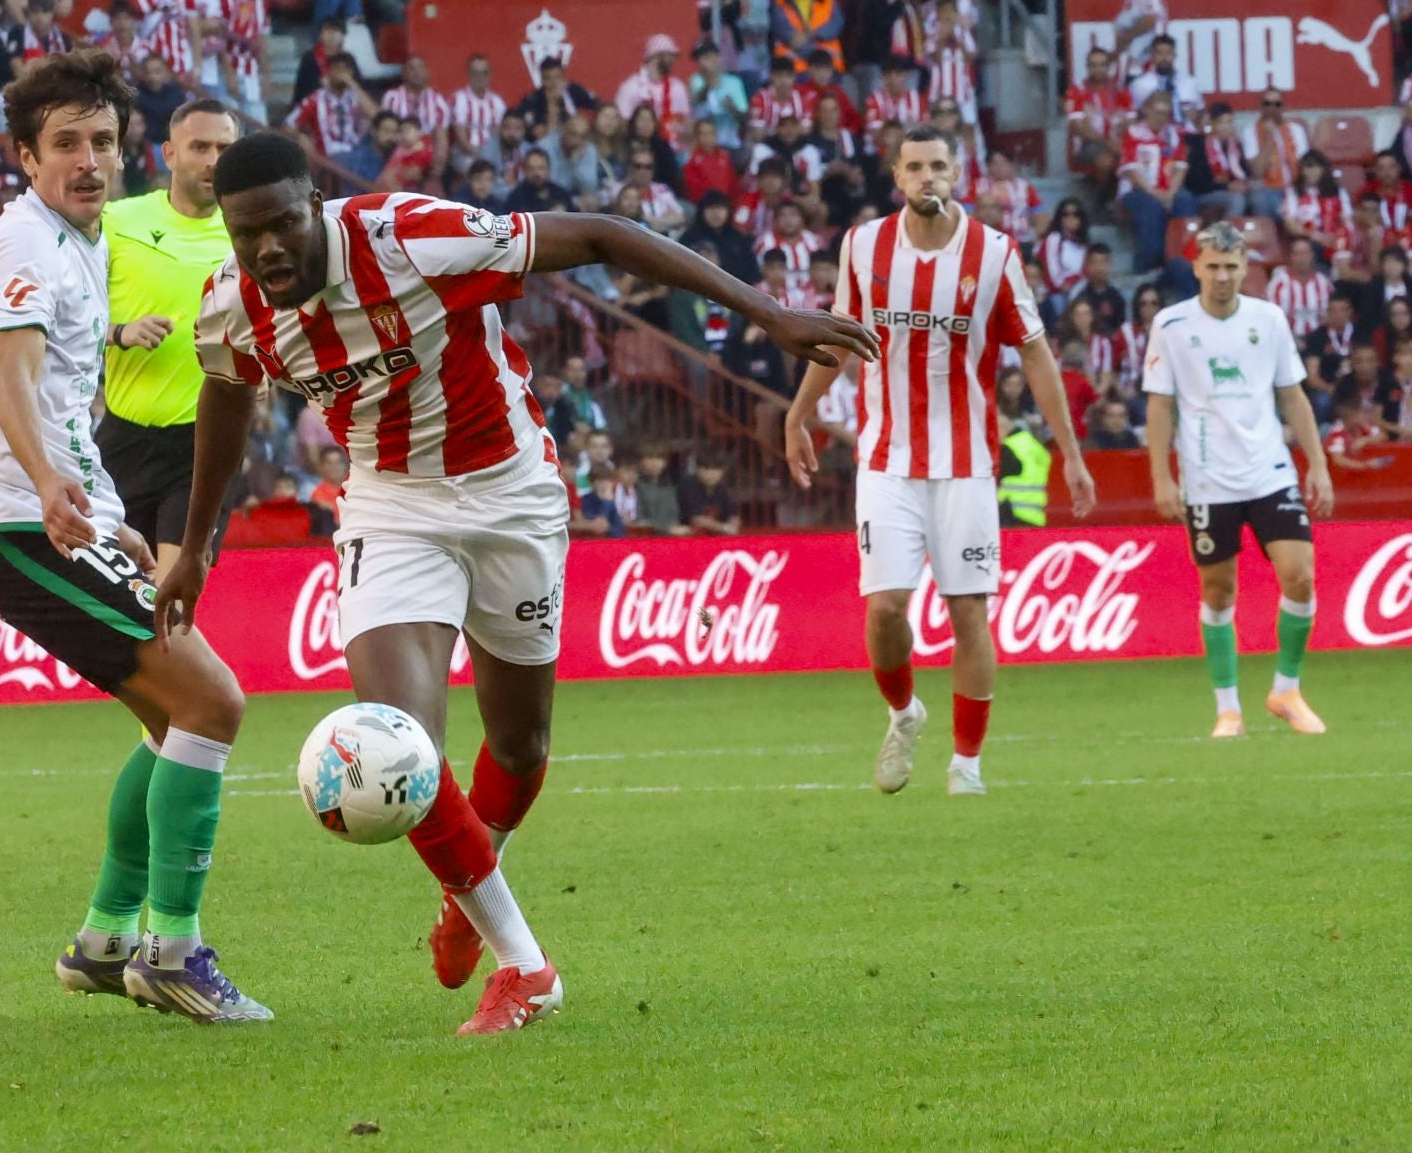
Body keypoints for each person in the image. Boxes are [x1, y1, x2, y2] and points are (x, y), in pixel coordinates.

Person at [157, 130, 876, 1033]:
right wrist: (196, 546)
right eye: (245, 234)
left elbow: (605, 234)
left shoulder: (412, 238)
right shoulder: (231, 305)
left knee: (523, 746)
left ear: (315, 207)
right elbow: (227, 396)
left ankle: (469, 892)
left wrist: (768, 313)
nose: (265, 250)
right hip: (390, 507)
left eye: (282, 227)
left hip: (512, 495)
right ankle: (525, 965)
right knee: (401, 745)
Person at [0, 49, 267, 1024]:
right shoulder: (27, 246)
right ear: (25, 156)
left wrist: (107, 515)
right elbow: (12, 378)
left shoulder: (77, 241)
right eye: (66, 143)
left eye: (103, 141)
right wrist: (49, 486)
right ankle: (172, 953)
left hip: (60, 514)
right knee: (212, 700)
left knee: (174, 722)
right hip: (16, 519)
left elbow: (61, 404)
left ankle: (105, 939)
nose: (88, 160)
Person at [785, 123, 1097, 798]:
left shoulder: (994, 253)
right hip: (886, 458)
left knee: (968, 611)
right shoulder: (863, 246)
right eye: (915, 167)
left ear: (957, 175)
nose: (927, 177)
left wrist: (1070, 453)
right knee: (886, 609)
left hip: (967, 463)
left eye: (939, 166)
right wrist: (798, 413)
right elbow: (838, 339)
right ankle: (903, 714)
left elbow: (1036, 353)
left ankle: (966, 766)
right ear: (897, 177)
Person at [1142, 220, 1335, 739]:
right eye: (1213, 266)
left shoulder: (1268, 319)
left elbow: (1292, 393)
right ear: (1196, 267)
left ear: (1246, 267)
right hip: (1208, 479)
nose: (1222, 276)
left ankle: (1286, 690)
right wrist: (1161, 476)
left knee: (1300, 575)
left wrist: (1317, 463)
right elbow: (1160, 404)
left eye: (1231, 266)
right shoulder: (1171, 324)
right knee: (1219, 590)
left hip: (1270, 470)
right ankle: (1228, 709)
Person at [99, 99, 242, 577]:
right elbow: (64, 321)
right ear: (169, 153)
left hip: (204, 441)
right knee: (119, 596)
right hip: (124, 437)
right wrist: (120, 333)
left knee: (173, 594)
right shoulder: (118, 222)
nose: (213, 160)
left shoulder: (247, 235)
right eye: (200, 147)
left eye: (224, 148)